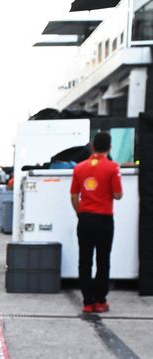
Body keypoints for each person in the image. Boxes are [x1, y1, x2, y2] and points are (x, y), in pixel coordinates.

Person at [70, 131, 123, 313]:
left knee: (84, 260)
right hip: (104, 219)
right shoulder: (113, 167)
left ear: (92, 146)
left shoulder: (79, 168)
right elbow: (118, 195)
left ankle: (87, 301)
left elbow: (74, 196)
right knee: (103, 259)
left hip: (84, 219)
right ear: (109, 147)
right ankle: (100, 300)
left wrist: (80, 213)